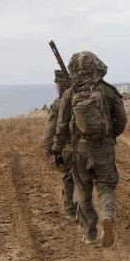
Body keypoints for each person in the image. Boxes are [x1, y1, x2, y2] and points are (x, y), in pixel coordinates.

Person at [52, 51, 127, 247]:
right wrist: (110, 136)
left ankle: (90, 232)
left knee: (83, 190)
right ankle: (107, 216)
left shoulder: (70, 93)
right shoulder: (108, 91)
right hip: (104, 148)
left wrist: (57, 150)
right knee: (105, 187)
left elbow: (61, 126)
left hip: (80, 150)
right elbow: (122, 120)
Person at [45, 69, 76, 220]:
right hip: (88, 146)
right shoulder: (81, 99)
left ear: (62, 84)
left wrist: (50, 150)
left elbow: (52, 128)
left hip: (67, 146)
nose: (56, 87)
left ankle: (71, 209)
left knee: (69, 178)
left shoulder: (59, 103)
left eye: (57, 84)